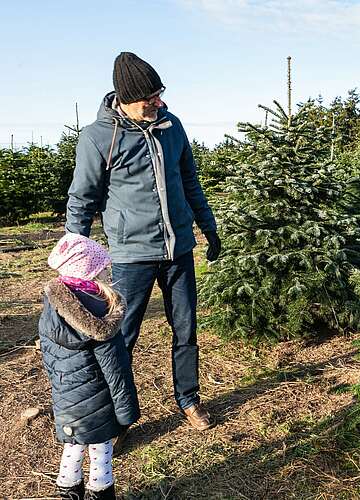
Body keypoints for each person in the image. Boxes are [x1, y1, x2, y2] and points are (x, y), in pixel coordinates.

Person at [65, 52, 221, 431]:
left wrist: (208, 226)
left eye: (160, 94)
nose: (159, 102)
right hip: (131, 257)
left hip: (178, 250)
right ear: (127, 96)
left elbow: (190, 182)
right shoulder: (98, 137)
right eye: (150, 97)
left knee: (185, 329)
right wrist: (74, 257)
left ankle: (188, 399)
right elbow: (82, 198)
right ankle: (114, 417)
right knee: (121, 337)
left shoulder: (172, 126)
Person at [39, 233, 139, 500]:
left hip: (66, 401)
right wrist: (127, 413)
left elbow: (50, 361)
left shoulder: (51, 309)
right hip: (98, 402)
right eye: (103, 266)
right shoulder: (102, 317)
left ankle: (68, 494)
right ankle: (100, 493)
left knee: (72, 449)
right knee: (101, 453)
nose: (108, 269)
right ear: (90, 273)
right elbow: (116, 371)